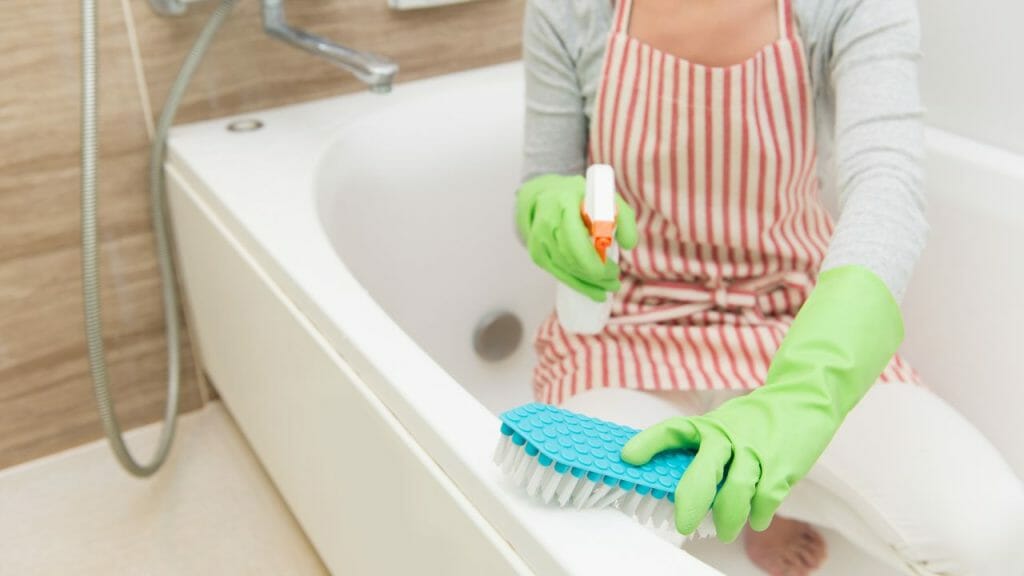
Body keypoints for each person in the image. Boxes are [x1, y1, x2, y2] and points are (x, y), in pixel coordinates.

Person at [515, 0, 1024, 574]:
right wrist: (548, 206)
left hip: (797, 322)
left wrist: (807, 387)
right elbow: (545, 176)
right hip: (628, 329)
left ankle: (763, 491)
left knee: (995, 539)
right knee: (587, 552)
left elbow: (888, 186)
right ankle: (749, 491)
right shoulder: (569, 11)